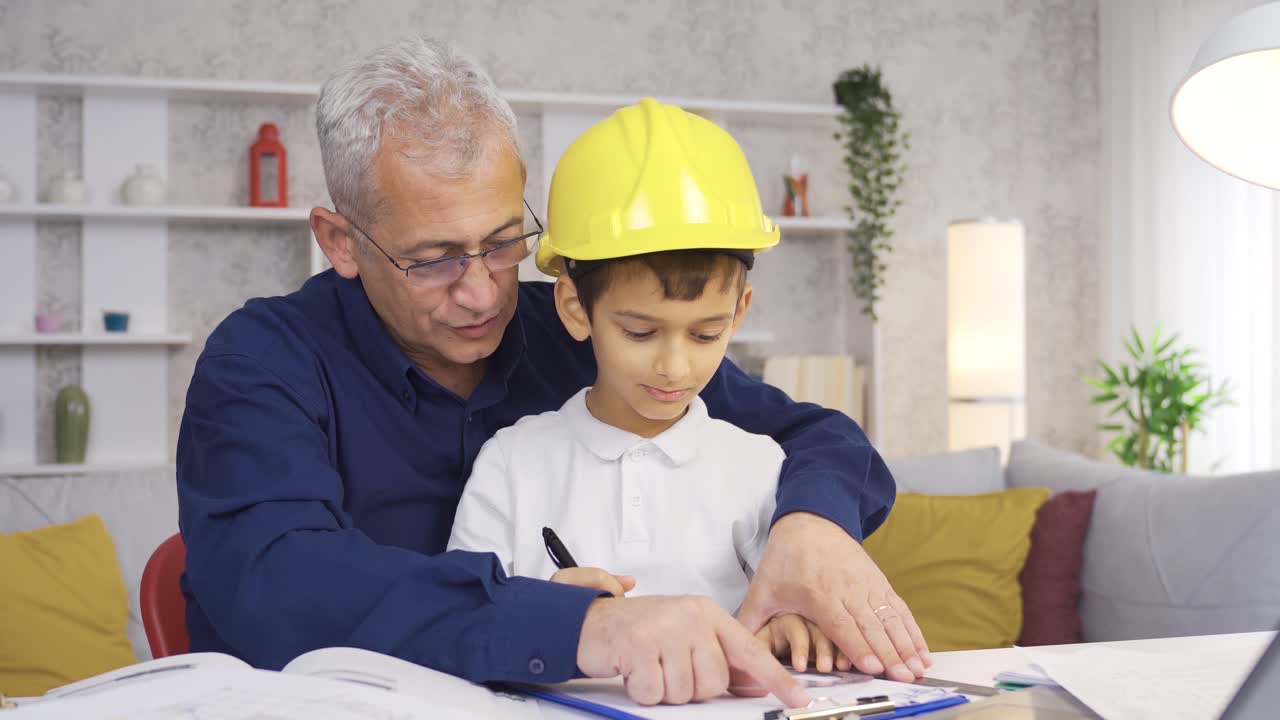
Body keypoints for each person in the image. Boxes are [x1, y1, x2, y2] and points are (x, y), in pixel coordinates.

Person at [175, 35, 926, 709]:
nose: (481, 292)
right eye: (434, 261)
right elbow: (276, 585)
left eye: (505, 241)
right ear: (341, 242)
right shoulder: (260, 363)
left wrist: (814, 526)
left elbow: (815, 437)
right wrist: (580, 626)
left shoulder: (581, 333)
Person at [448, 97, 852, 675]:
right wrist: (542, 613)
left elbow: (793, 609)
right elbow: (461, 625)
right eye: (639, 332)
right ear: (574, 308)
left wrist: (796, 625)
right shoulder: (512, 464)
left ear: (739, 314)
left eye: (707, 333)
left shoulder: (759, 468)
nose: (675, 367)